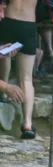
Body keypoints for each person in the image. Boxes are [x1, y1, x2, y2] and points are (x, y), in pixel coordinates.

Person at [0, 0, 38, 138]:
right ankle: (27, 124)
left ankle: (2, 93)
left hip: (8, 19)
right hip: (28, 23)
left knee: (5, 56)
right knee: (26, 78)